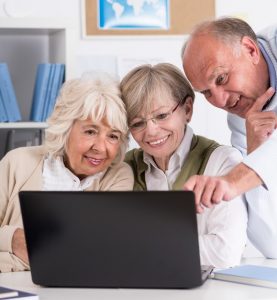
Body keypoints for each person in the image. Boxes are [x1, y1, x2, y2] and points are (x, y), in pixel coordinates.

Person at [0, 73, 134, 272]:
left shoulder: (118, 176)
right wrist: (14, 239)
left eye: (113, 136)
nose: (100, 147)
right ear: (66, 127)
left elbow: (95, 249)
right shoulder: (17, 162)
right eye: (90, 131)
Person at [121, 63, 247, 268]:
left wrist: (141, 247)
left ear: (187, 109)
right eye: (137, 123)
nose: (151, 131)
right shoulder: (124, 168)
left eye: (161, 116)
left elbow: (225, 252)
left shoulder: (222, 161)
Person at [182, 17, 277, 258]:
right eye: (206, 93)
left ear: (250, 50)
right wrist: (256, 150)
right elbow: (272, 244)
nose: (221, 101)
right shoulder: (241, 118)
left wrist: (234, 180)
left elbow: (241, 178)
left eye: (221, 79)